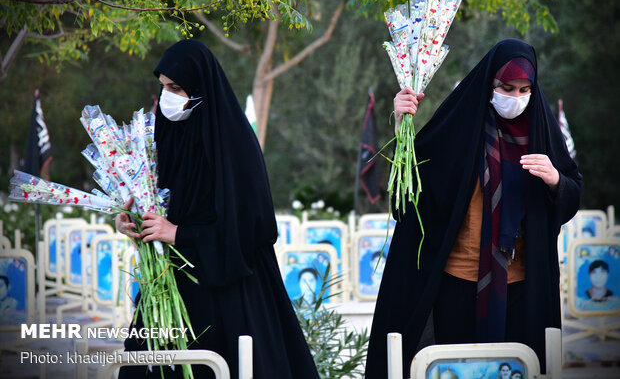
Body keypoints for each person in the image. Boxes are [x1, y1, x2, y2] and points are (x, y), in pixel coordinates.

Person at [365, 39, 582, 378]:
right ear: (488, 83)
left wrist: (556, 180)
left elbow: (571, 192)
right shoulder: (459, 129)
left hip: (522, 285)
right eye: (506, 87)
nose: (515, 97)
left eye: (525, 89)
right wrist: (401, 125)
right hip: (458, 283)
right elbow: (407, 197)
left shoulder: (540, 132)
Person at [115, 39, 319, 379]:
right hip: (169, 288)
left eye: (176, 87)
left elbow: (253, 230)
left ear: (200, 86)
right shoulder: (164, 140)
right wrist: (136, 223)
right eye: (164, 87)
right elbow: (162, 209)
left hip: (230, 295)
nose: (167, 96)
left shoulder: (233, 144)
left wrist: (179, 233)